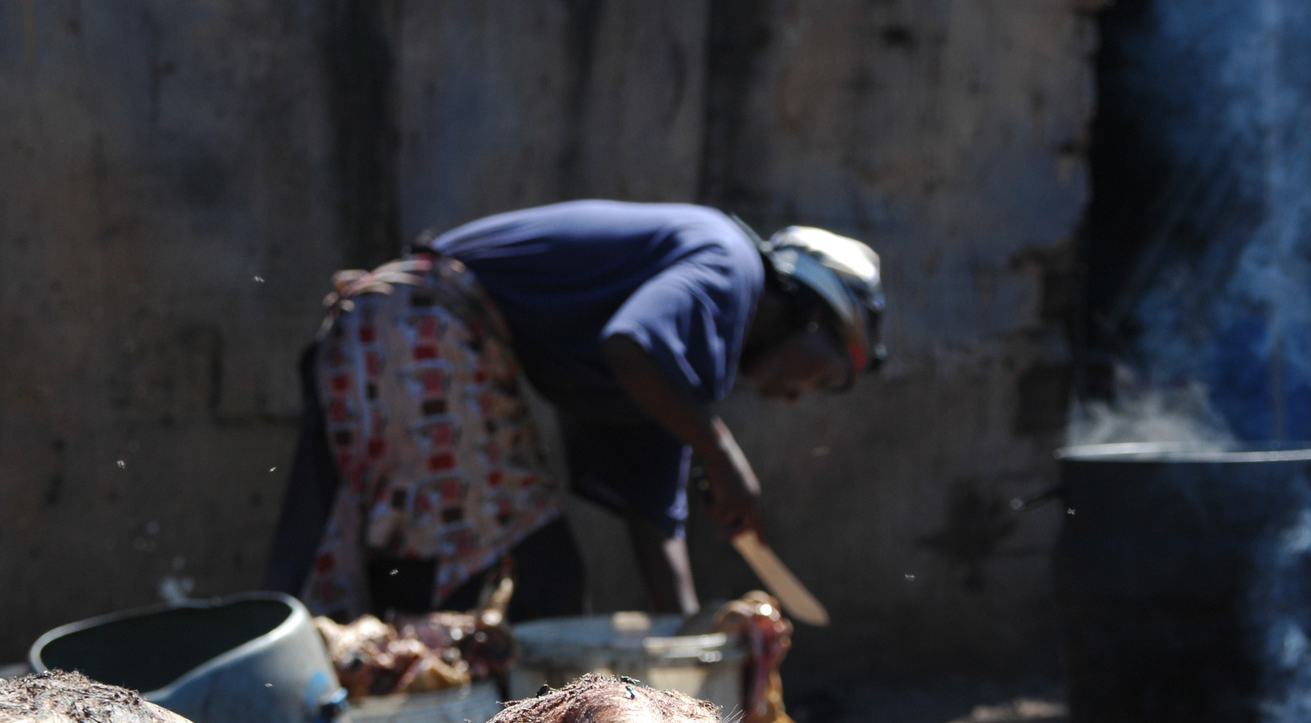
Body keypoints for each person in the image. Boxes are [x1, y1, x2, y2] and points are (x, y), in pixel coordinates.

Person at [264, 200, 884, 622]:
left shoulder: (677, 374)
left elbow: (653, 512)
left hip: (410, 332)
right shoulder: (729, 262)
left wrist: (689, 648)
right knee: (529, 576)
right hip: (423, 326)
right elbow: (632, 345)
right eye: (823, 375)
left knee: (478, 575)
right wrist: (722, 455)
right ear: (810, 313)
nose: (799, 397)